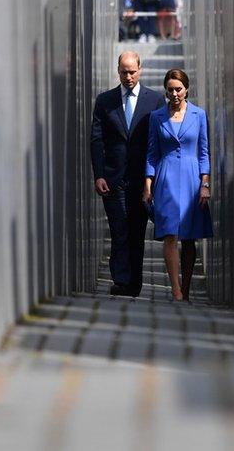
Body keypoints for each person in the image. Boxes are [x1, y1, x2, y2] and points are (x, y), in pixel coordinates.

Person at [91, 52, 166, 297]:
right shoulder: (105, 101)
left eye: (132, 71)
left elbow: (158, 141)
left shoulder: (154, 101)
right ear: (118, 71)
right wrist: (99, 174)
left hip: (142, 179)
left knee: (136, 231)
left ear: (140, 70)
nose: (128, 76)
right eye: (124, 72)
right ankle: (121, 280)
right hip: (114, 178)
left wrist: (154, 179)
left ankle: (135, 282)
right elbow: (97, 140)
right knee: (118, 229)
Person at [143, 69, 213, 302]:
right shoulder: (157, 117)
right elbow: (151, 153)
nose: (174, 94)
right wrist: (148, 184)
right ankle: (176, 289)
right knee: (170, 234)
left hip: (192, 178)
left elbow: (203, 152)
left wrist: (205, 183)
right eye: (170, 89)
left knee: (189, 236)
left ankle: (187, 286)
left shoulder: (199, 115)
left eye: (178, 89)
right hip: (166, 178)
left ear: (186, 89)